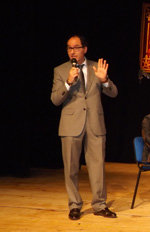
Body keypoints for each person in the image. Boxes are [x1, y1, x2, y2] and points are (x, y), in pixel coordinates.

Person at [51, 35, 118, 220]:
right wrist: (68, 82)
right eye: (69, 48)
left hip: (95, 124)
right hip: (71, 125)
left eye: (76, 47)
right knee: (71, 168)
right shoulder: (60, 70)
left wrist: (104, 80)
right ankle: (74, 205)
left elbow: (113, 93)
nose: (72, 51)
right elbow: (55, 100)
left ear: (85, 49)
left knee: (97, 168)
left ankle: (99, 205)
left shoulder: (97, 67)